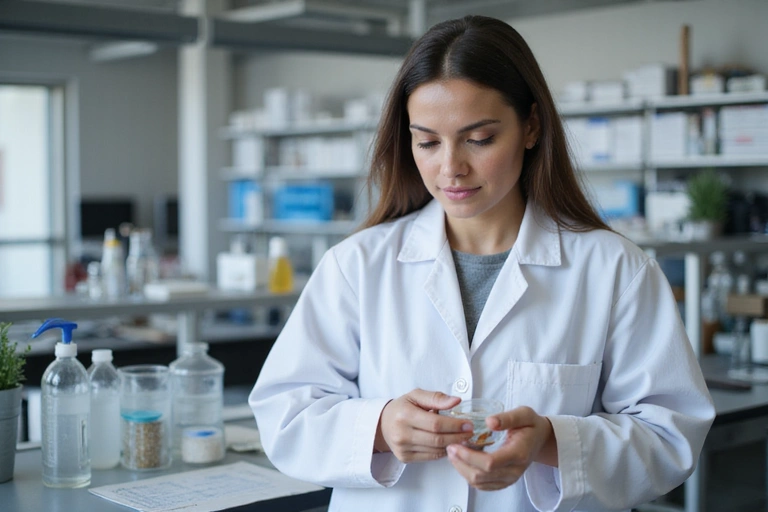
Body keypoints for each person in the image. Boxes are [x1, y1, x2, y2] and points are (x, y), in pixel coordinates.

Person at [250, 15, 714, 512]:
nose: (450, 167)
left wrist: (551, 442)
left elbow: (669, 437)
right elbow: (284, 415)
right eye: (427, 142)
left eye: (479, 139)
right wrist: (380, 427)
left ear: (531, 126)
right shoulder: (358, 265)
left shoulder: (615, 269)